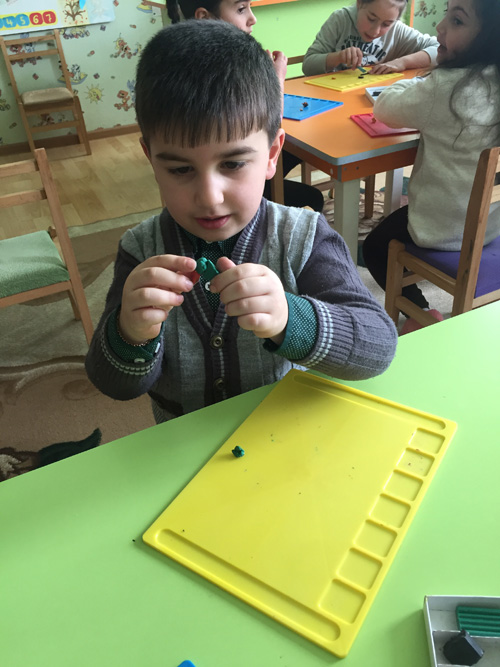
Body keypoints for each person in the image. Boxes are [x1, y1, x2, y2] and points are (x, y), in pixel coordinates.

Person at [85, 20, 397, 424]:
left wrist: (290, 319)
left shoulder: (302, 237)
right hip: (180, 445)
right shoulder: (140, 250)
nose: (209, 197)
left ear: (272, 154)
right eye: (180, 169)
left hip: (279, 433)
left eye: (232, 164)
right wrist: (129, 333)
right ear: (151, 159)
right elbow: (113, 383)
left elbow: (377, 347)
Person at [362, 0, 500, 333]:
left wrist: (424, 78)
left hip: (442, 230)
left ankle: (420, 312)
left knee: (375, 246)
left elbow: (384, 107)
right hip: (492, 225)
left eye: (457, 20)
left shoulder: (446, 88)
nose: (440, 26)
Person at [166, 0, 325, 213]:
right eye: (241, 9)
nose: (253, 18)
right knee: (312, 197)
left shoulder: (185, 58)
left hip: (228, 173)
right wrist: (276, 81)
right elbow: (266, 129)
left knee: (295, 153)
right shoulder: (222, 72)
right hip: (234, 188)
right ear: (204, 17)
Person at [302, 0, 439, 76]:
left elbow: (439, 49)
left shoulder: (398, 30)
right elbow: (308, 65)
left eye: (386, 24)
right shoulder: (340, 20)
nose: (375, 31)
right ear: (359, 3)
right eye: (371, 19)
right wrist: (338, 57)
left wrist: (402, 62)